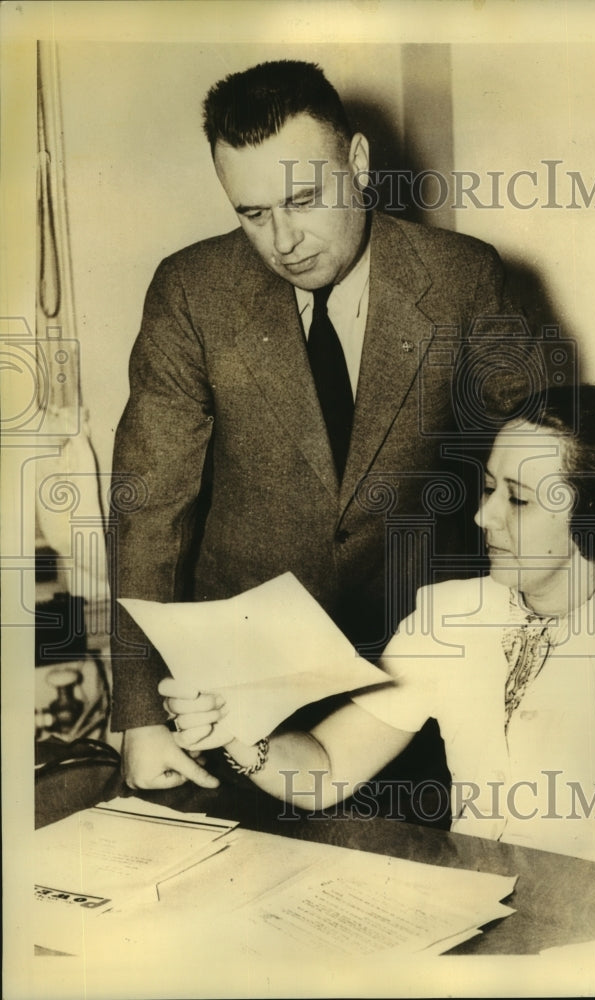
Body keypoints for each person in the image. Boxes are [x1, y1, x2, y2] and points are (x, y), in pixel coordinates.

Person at [110, 60, 534, 792]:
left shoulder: (466, 280)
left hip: (411, 676)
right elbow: (150, 509)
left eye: (303, 198)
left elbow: (534, 473)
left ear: (359, 163)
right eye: (252, 214)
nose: (284, 239)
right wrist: (141, 714)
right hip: (238, 691)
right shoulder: (189, 292)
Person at [160, 384, 595, 878]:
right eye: (488, 488)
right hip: (466, 905)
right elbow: (326, 768)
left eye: (517, 499)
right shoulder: (449, 617)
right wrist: (234, 729)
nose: (484, 517)